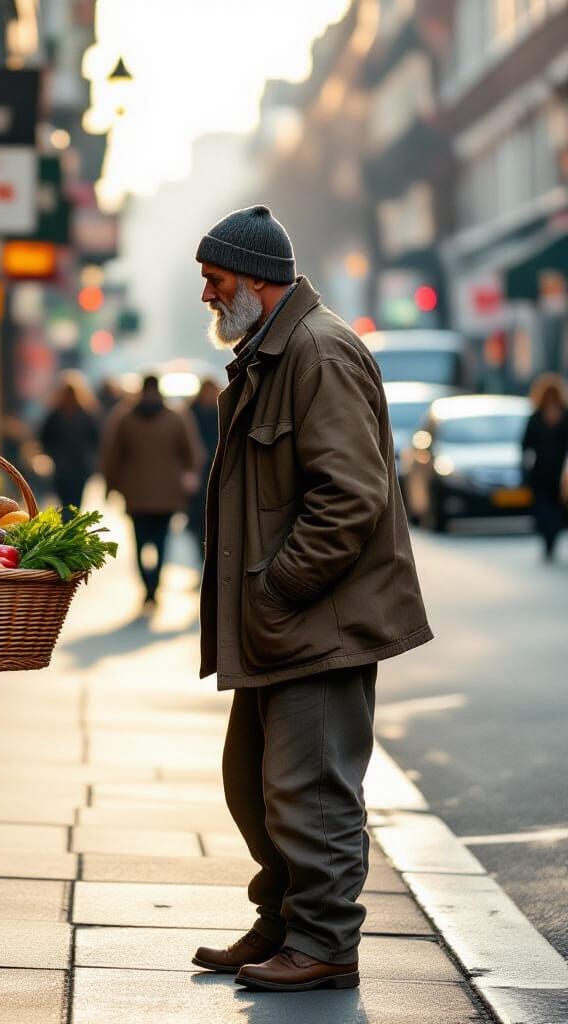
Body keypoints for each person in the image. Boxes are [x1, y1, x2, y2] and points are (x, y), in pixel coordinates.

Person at [188, 206, 432, 991]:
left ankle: (325, 944)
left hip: (314, 621)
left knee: (310, 788)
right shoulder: (273, 349)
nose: (206, 294)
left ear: (259, 281)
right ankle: (283, 921)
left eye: (215, 279)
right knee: (253, 779)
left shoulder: (317, 352)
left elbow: (352, 497)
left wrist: (281, 586)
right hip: (279, 622)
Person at [100, 374, 203, 606]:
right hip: (167, 494)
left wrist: (111, 485)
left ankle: (149, 586)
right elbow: (193, 453)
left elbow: (112, 456)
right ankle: (153, 585)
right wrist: (189, 476)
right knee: (160, 542)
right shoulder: (175, 418)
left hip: (135, 494)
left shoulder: (125, 418)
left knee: (140, 541)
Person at [39, 370, 100, 514]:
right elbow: (44, 438)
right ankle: (69, 527)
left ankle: (72, 527)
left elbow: (95, 439)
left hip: (80, 467)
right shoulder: (54, 416)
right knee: (64, 503)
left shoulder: (85, 415)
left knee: (76, 502)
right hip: (61, 468)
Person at [522, 372, 568, 561]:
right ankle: (548, 538)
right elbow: (525, 444)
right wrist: (524, 468)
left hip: (559, 472)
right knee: (542, 509)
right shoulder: (535, 416)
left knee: (557, 509)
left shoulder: (565, 416)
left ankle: (551, 538)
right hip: (541, 471)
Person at [187, 378, 221, 548]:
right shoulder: (191, 413)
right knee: (200, 516)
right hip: (199, 471)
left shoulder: (222, 412)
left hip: (217, 469)